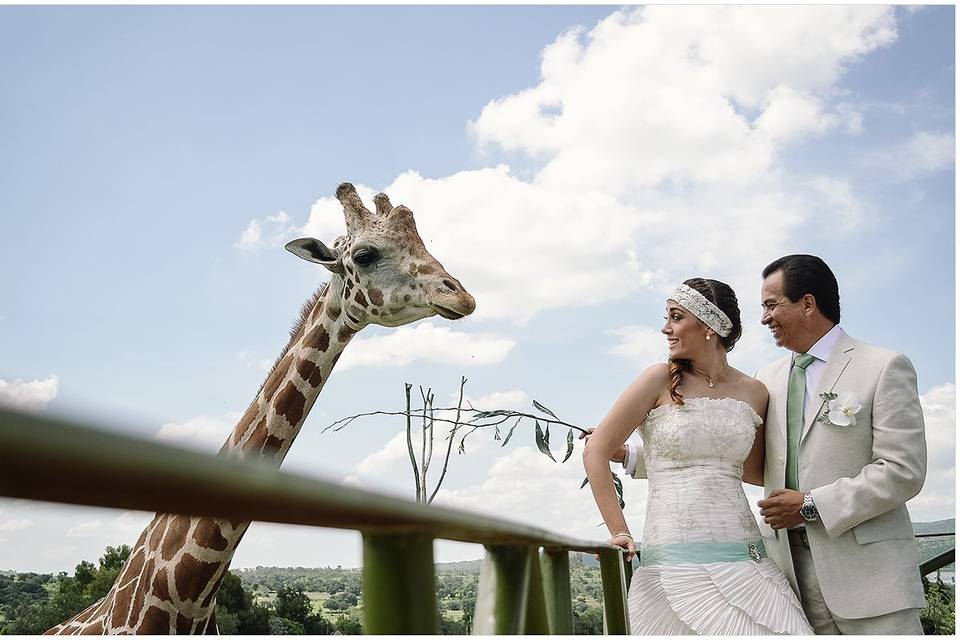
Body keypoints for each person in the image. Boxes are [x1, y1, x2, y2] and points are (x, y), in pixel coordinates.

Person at [583, 278, 812, 635]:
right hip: (674, 560)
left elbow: (752, 472)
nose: (665, 328)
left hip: (748, 562)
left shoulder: (755, 392)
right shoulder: (657, 378)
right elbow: (595, 451)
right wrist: (619, 531)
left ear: (710, 325)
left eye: (675, 317)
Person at [753, 254, 927, 634]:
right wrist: (633, 454)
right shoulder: (765, 379)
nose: (764, 318)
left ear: (808, 303)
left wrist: (811, 505)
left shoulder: (883, 366)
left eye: (771, 305)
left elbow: (904, 471)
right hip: (789, 582)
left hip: (873, 582)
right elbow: (733, 452)